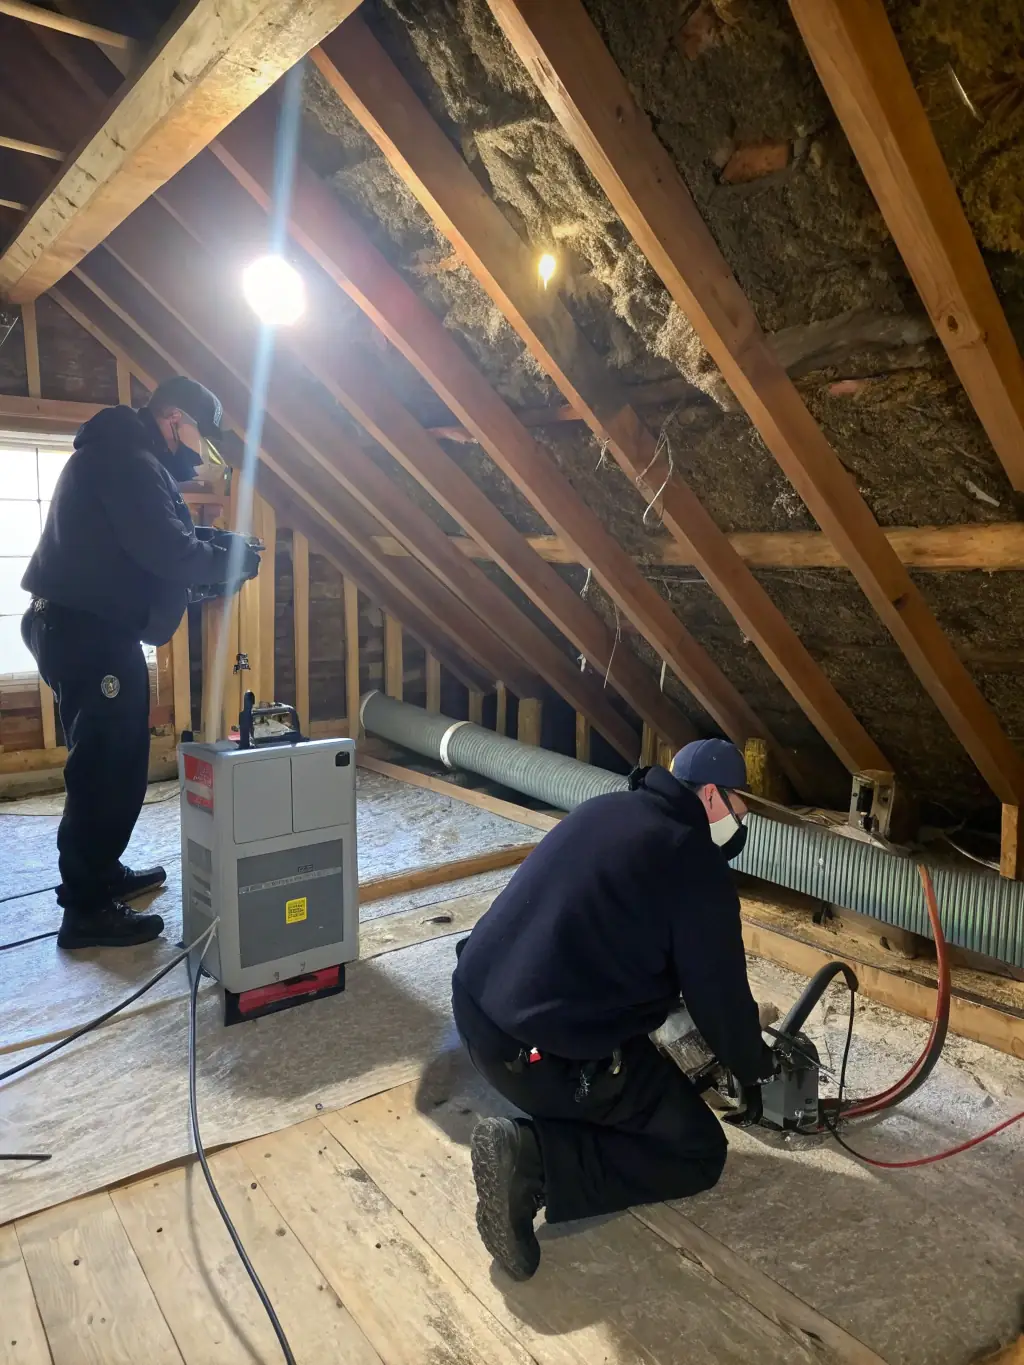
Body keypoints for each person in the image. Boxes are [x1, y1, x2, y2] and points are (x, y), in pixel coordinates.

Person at [451, 738, 775, 1281]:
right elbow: (717, 995)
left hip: (475, 1013)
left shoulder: (607, 808)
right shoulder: (695, 865)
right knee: (696, 1149)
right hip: (541, 1056)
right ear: (714, 798)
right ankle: (531, 1160)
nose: (743, 820)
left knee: (642, 1067)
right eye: (742, 806)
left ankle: (546, 1127)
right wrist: (753, 1067)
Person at [21, 377, 259, 952]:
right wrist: (224, 564)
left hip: (91, 628)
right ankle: (85, 909)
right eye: (201, 439)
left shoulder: (131, 457)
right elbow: (168, 551)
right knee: (104, 764)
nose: (202, 457)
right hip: (84, 631)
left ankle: (102, 873)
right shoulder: (126, 458)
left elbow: (168, 534)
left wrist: (217, 545)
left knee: (122, 757)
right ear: (174, 419)